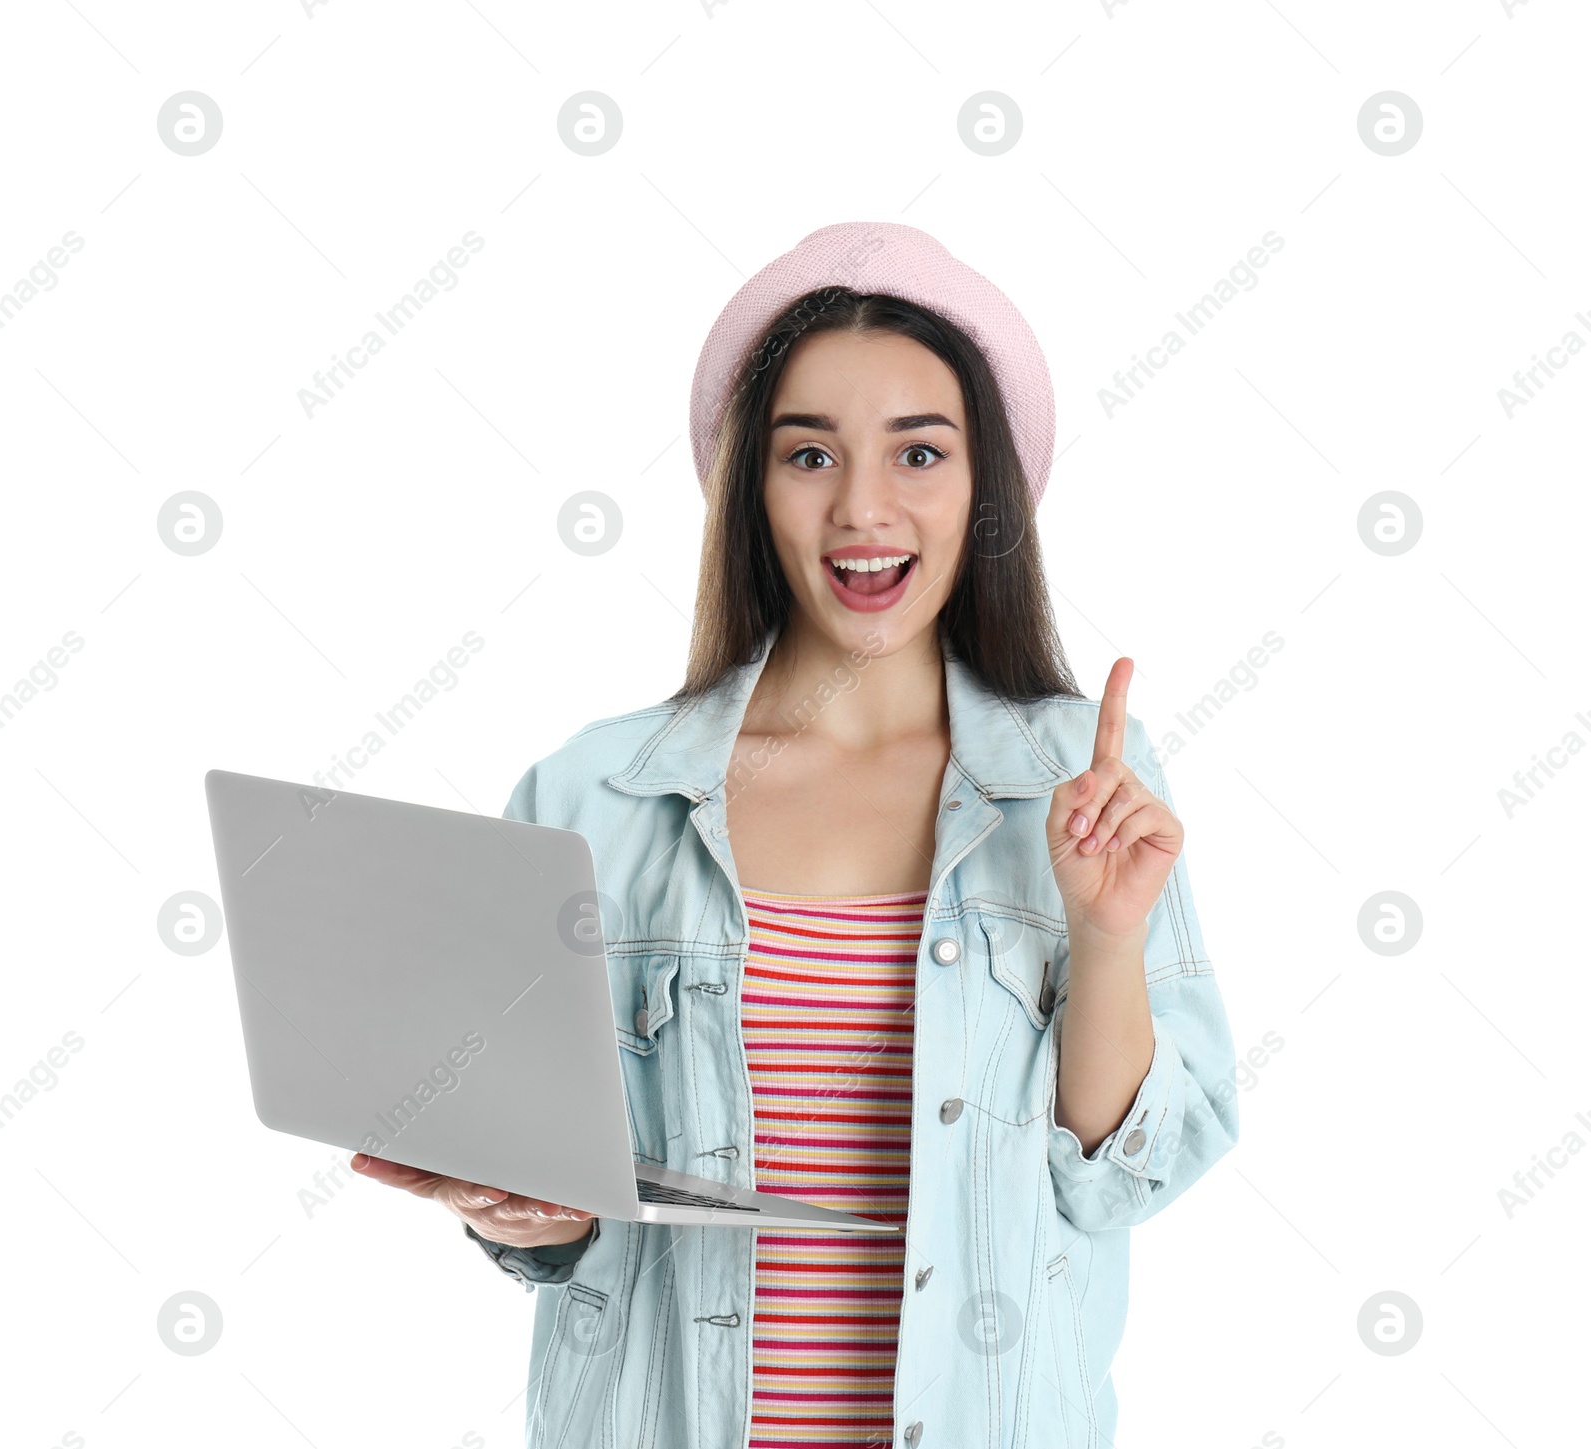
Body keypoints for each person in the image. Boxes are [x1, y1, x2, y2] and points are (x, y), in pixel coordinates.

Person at [352, 221, 1240, 1448]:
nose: (862, 508)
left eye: (918, 453)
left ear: (982, 487)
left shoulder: (1078, 784)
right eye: (809, 453)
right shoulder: (591, 797)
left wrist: (1102, 936)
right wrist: (520, 1210)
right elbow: (560, 1218)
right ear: (748, 491)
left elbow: (1118, 1178)